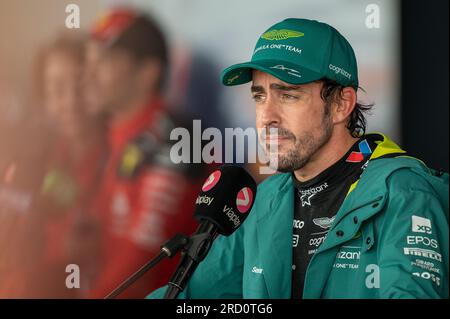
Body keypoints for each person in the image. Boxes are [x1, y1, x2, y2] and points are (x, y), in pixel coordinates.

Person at [148, 18, 449, 299]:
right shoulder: (264, 200)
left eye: (288, 95)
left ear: (341, 104)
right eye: (259, 96)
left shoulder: (405, 194)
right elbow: (188, 296)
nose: (267, 117)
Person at [84, 9, 211, 298]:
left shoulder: (175, 140)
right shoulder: (106, 135)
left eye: (105, 62)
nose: (88, 74)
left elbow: (140, 265)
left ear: (147, 72)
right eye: (89, 61)